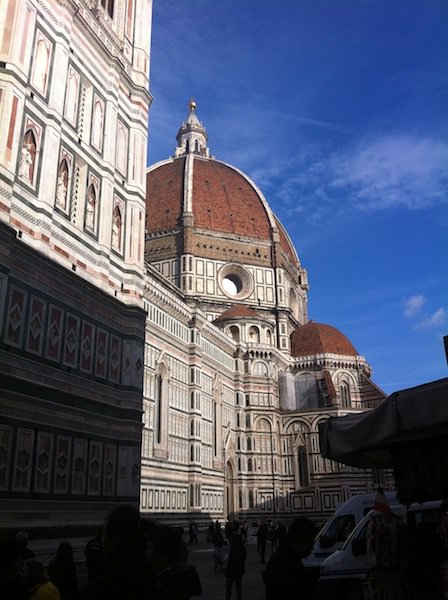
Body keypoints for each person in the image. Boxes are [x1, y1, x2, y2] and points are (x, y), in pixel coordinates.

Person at [80, 505, 154, 600]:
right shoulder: (157, 584)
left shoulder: (98, 591)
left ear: (114, 540)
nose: (102, 541)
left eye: (105, 534)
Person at [264, 517, 317, 600]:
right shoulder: (287, 565)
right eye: (309, 543)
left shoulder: (285, 558)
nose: (312, 548)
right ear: (299, 541)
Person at [148, 524, 201, 599]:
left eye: (150, 549)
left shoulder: (164, 584)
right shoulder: (186, 577)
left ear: (162, 554)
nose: (147, 553)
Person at [224, 533, 246, 600]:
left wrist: (226, 571)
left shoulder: (233, 549)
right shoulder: (243, 548)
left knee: (228, 587)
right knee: (238, 586)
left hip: (231, 571)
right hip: (240, 570)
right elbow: (244, 559)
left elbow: (230, 562)